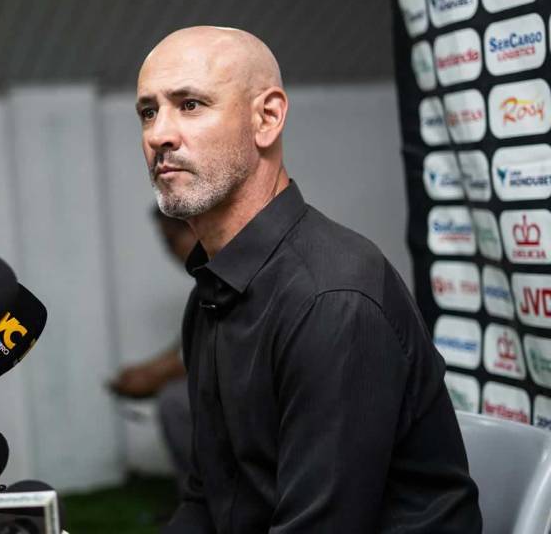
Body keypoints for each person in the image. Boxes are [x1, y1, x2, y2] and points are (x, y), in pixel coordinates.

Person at [135, 26, 482, 533]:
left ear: (267, 117)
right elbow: (207, 501)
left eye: (190, 104)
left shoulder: (331, 297)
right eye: (149, 111)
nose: (159, 134)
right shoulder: (211, 291)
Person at [109, 208, 196, 488]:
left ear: (196, 229)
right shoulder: (209, 281)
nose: (169, 251)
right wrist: (148, 372)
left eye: (172, 240)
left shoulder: (233, 270)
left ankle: (204, 505)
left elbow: (208, 351)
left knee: (176, 400)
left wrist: (152, 377)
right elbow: (190, 342)